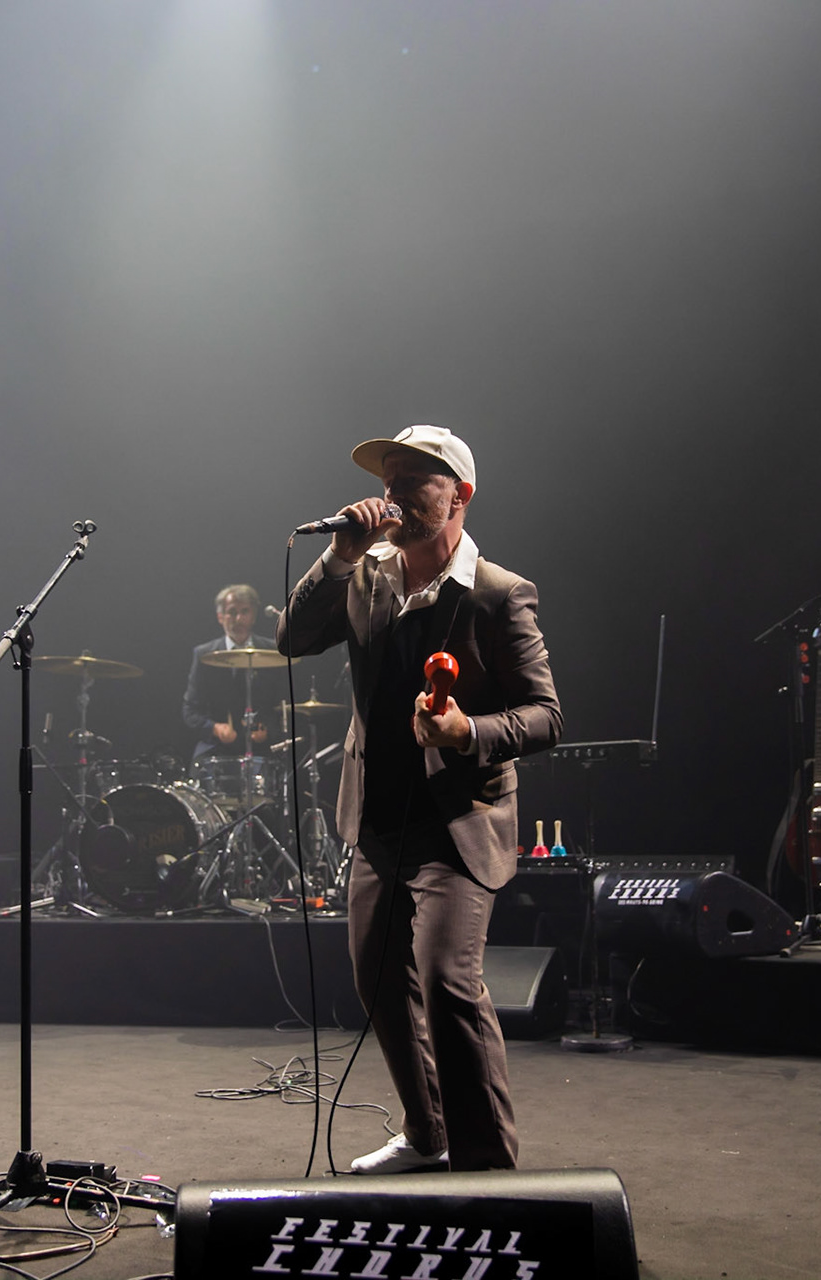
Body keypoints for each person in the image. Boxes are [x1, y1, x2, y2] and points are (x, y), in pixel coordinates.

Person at [277, 424, 560, 1174]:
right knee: (377, 981)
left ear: (459, 496)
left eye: (415, 480)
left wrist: (469, 729)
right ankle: (427, 1136)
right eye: (389, 478)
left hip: (459, 822)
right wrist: (336, 556)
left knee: (445, 982)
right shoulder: (365, 574)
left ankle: (488, 1167)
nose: (393, 492)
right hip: (378, 816)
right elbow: (292, 638)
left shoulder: (498, 594)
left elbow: (545, 716)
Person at [181, 584, 274, 762]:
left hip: (261, 746)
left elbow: (283, 703)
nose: (238, 619)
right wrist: (214, 728)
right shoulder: (204, 654)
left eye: (244, 611)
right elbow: (189, 710)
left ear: (254, 616)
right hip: (217, 746)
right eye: (231, 612)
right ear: (220, 617)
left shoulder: (273, 651)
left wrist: (268, 728)